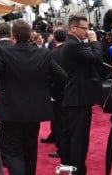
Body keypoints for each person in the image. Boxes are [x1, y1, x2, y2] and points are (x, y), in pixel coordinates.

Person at [0, 20, 66, 175]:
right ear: (30, 35)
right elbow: (62, 77)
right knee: (30, 151)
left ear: (13, 36)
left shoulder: (4, 53)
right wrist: (48, 92)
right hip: (34, 111)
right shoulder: (43, 53)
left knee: (13, 153)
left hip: (10, 111)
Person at [60, 15, 104, 175]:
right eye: (84, 28)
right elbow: (97, 58)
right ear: (73, 28)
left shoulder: (73, 44)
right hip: (78, 97)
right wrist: (94, 41)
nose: (88, 31)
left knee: (74, 135)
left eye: (88, 28)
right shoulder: (73, 45)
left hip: (76, 96)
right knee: (79, 138)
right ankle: (77, 169)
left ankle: (71, 165)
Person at [47, 27, 68, 159]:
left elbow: (53, 75)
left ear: (54, 39)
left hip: (58, 91)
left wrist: (52, 91)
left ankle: (61, 149)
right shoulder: (70, 51)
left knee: (60, 121)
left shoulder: (53, 54)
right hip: (70, 90)